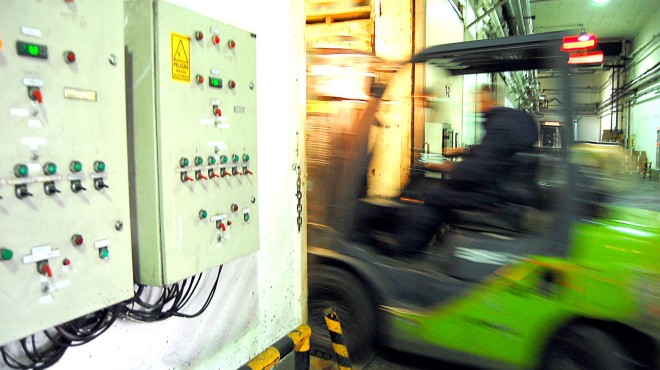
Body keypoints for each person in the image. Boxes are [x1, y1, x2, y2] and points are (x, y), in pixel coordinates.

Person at [389, 85, 538, 256]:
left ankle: (406, 249)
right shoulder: (510, 121)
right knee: (441, 190)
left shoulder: (499, 124)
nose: (475, 104)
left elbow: (476, 171)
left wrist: (442, 167)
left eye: (477, 100)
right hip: (503, 191)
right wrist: (463, 151)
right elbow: (493, 153)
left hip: (495, 196)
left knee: (433, 195)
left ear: (485, 100)